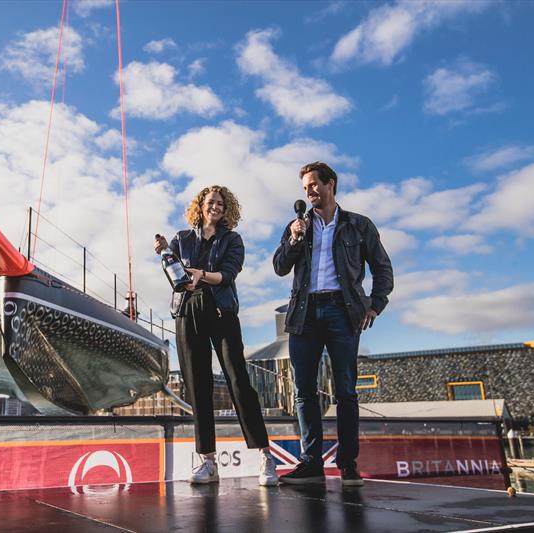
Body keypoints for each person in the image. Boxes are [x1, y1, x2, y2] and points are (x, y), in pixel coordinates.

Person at [273, 162, 393, 486]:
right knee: (303, 392)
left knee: (345, 391)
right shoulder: (298, 226)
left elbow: (383, 269)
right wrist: (294, 239)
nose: (309, 191)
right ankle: (310, 463)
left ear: (331, 184)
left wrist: (375, 306)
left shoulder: (359, 225)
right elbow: (279, 267)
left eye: (313, 184)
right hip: (304, 314)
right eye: (304, 188)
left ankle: (348, 465)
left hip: (343, 312)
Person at [154, 185, 278, 486]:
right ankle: (208, 461)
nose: (216, 207)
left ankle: (265, 455)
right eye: (211, 202)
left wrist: (201, 276)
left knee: (238, 381)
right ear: (200, 205)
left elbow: (228, 275)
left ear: (227, 209)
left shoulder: (232, 240)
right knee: (198, 386)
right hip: (187, 311)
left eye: (221, 203)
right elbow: (175, 276)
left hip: (221, 310)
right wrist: (164, 254)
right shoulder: (181, 239)